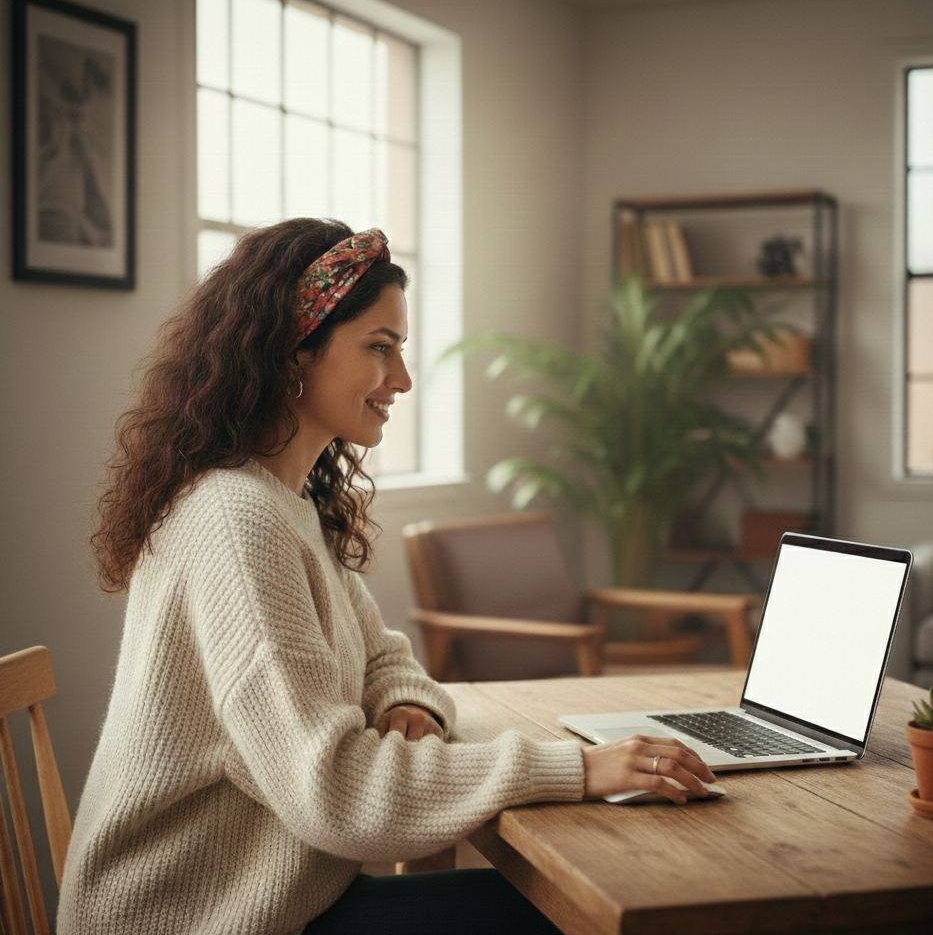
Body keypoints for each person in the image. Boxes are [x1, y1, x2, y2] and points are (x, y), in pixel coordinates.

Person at [57, 218, 716, 935]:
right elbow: (336, 792)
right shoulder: (236, 523)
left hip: (277, 905)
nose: (400, 379)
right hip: (196, 922)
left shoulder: (286, 500)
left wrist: (413, 707)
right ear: (290, 352)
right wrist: (580, 771)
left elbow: (381, 653)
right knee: (573, 916)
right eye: (380, 348)